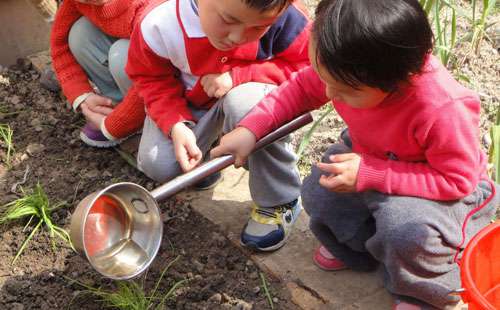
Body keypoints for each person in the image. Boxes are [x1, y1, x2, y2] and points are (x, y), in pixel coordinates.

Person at [210, 0, 500, 308]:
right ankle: (359, 250)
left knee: (406, 231)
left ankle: (423, 291)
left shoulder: (442, 108)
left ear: (400, 80)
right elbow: (299, 90)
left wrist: (371, 174)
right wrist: (250, 130)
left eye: (345, 91)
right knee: (319, 192)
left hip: (438, 186)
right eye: (326, 81)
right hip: (371, 155)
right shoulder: (346, 67)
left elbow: (458, 181)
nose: (330, 94)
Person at [126, 0, 311, 251]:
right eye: (228, 20)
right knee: (159, 163)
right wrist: (176, 124)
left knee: (245, 105)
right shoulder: (159, 23)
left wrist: (238, 76)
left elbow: (307, 69)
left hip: (252, 96)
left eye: (258, 27)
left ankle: (279, 199)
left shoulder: (288, 17)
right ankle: (209, 160)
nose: (237, 37)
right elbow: (150, 78)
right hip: (192, 102)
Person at [51, 0, 148, 148]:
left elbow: (153, 74)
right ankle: (117, 105)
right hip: (137, 57)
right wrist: (82, 96)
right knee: (80, 32)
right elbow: (59, 46)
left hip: (166, 80)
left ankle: (145, 119)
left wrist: (112, 126)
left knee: (121, 55)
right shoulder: (77, 2)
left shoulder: (145, 8)